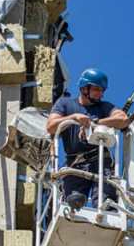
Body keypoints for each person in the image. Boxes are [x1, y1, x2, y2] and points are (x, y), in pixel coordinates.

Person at [46, 68, 128, 209]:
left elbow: (123, 119)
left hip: (100, 160)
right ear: (84, 88)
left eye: (102, 90)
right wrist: (74, 118)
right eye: (97, 89)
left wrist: (94, 123)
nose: (100, 94)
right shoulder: (65, 104)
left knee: (105, 203)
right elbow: (51, 126)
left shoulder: (104, 107)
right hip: (75, 163)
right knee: (71, 204)